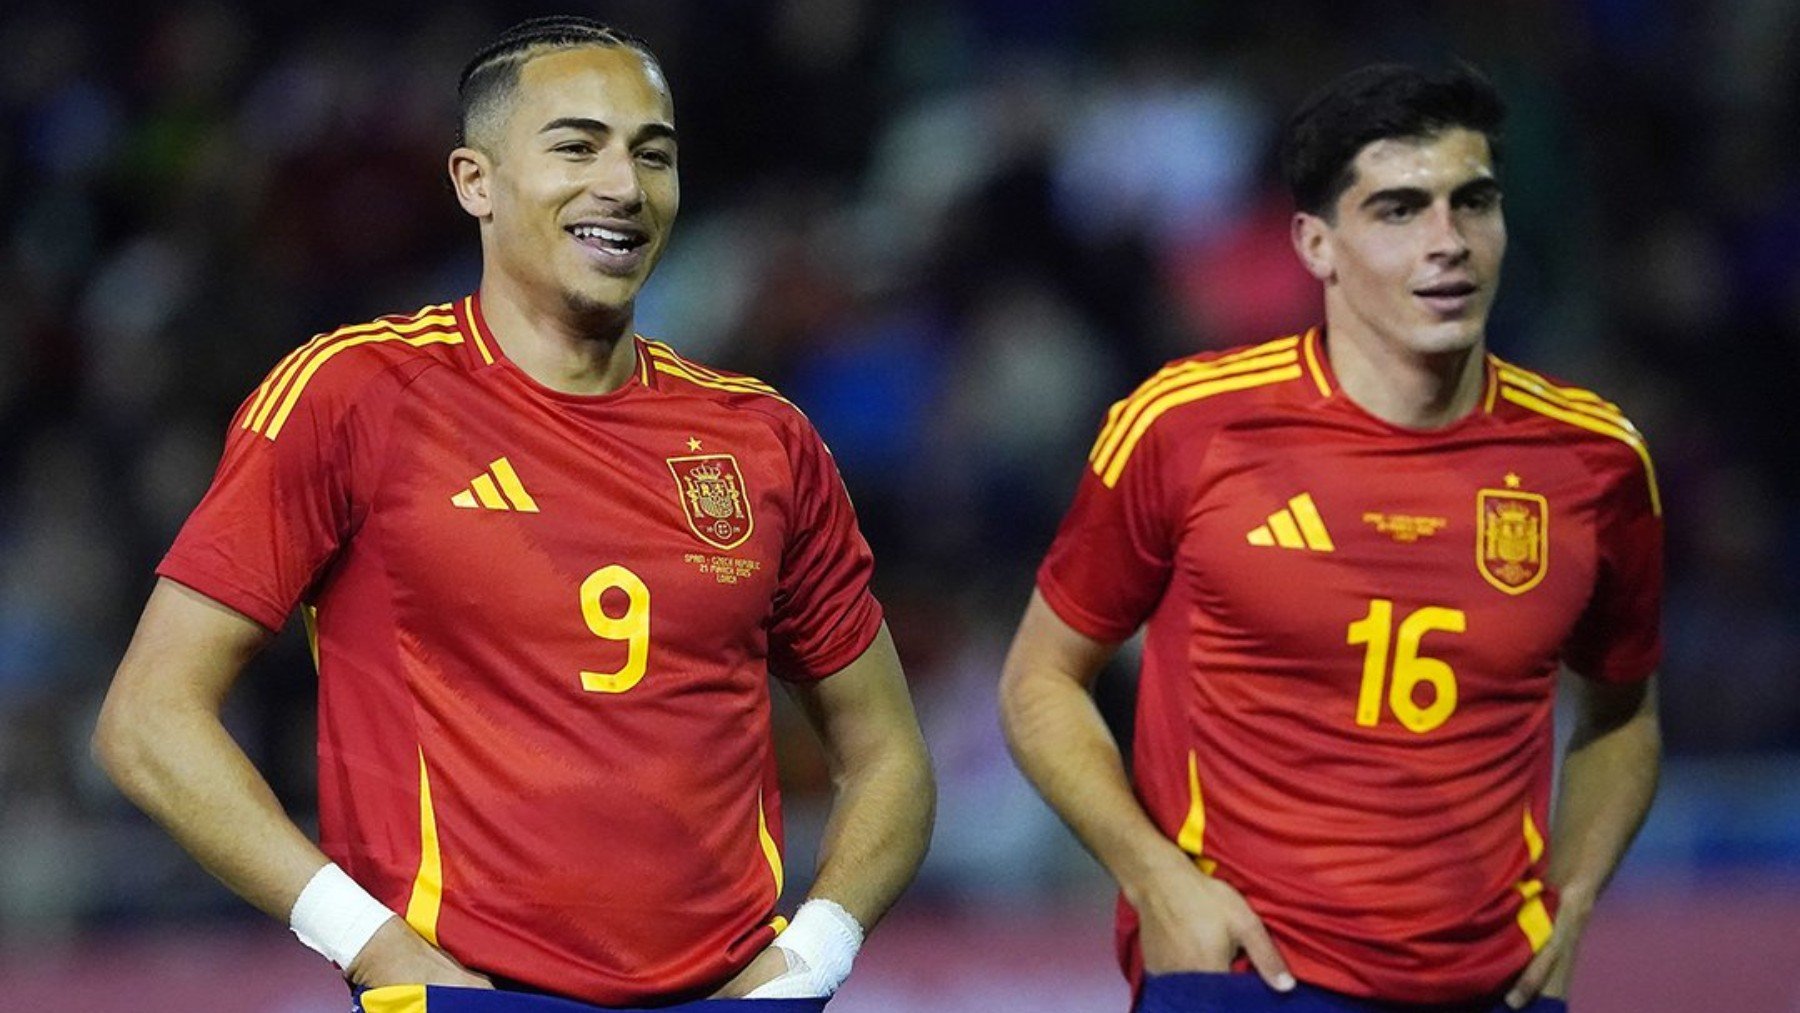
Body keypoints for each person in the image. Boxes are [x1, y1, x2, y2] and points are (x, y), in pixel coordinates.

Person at [92, 16, 934, 1013]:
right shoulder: (356, 394)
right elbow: (149, 719)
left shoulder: (763, 437)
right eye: (576, 146)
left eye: (652, 155)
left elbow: (890, 757)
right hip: (469, 993)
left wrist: (815, 954)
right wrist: (374, 946)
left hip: (733, 995)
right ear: (474, 181)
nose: (623, 185)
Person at [999, 63, 1661, 1013]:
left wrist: (1581, 892)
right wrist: (1153, 877)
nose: (1449, 243)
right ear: (1317, 243)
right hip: (1245, 977)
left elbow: (1624, 711)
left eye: (1472, 203)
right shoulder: (1187, 425)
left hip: (1498, 986)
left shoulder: (1596, 460)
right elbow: (1040, 677)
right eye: (1399, 210)